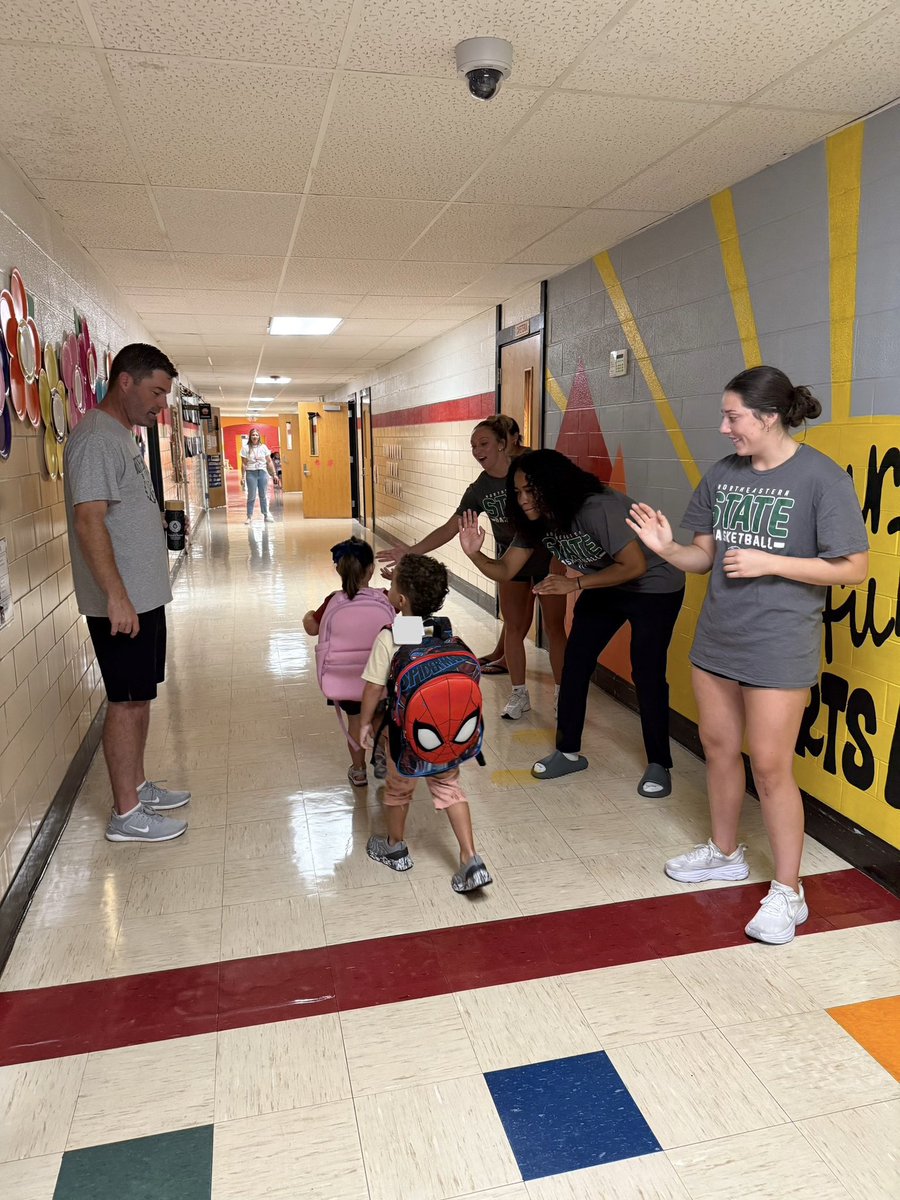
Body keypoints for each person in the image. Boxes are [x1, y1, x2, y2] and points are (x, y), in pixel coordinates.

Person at [628, 365, 868, 944]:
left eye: (733, 416)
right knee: (717, 747)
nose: (723, 427)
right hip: (717, 640)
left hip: (779, 645)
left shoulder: (820, 478)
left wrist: (771, 562)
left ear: (769, 416)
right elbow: (702, 558)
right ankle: (726, 852)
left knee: (770, 765)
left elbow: (855, 568)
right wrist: (667, 548)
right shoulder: (724, 474)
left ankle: (789, 892)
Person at [458, 448, 686, 797]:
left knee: (647, 671)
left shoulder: (596, 507)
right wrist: (474, 552)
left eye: (529, 490)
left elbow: (635, 566)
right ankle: (567, 752)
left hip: (653, 585)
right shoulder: (536, 521)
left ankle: (659, 763)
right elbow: (505, 570)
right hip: (606, 582)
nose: (522, 499)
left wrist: (574, 583)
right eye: (517, 492)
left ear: (552, 484)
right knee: (575, 664)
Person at [63, 343, 191, 843]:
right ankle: (126, 814)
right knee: (125, 701)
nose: (161, 404)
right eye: (156, 391)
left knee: (140, 697)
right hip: (124, 603)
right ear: (125, 382)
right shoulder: (96, 438)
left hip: (141, 597)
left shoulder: (121, 436)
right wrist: (116, 595)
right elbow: (89, 520)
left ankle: (138, 786)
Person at [378, 416, 567, 721]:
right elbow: (450, 527)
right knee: (515, 629)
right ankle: (519, 694)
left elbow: (561, 507)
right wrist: (410, 551)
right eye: (473, 446)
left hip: (547, 557)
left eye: (484, 443)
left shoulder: (529, 472)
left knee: (555, 629)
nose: (478, 450)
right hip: (510, 561)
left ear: (503, 444)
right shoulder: (479, 489)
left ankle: (563, 693)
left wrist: (562, 557)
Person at [360, 554, 493, 893]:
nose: (389, 588)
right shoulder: (445, 631)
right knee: (450, 789)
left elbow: (375, 687)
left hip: (404, 738)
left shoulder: (390, 637)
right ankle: (470, 858)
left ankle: (395, 847)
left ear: (400, 600)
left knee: (398, 790)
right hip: (448, 737)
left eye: (392, 586)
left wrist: (364, 724)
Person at [303, 537, 391, 786]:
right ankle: (381, 752)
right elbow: (403, 627)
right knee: (378, 718)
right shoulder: (384, 598)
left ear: (338, 569)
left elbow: (312, 628)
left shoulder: (333, 601)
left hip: (345, 680)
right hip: (380, 677)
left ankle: (359, 769)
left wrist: (309, 615)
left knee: (355, 721)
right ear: (371, 569)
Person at [242, 428, 279, 523]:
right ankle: (249, 516)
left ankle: (266, 514)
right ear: (250, 436)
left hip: (262, 473)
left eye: (256, 435)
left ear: (259, 437)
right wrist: (242, 477)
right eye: (253, 435)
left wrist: (274, 474)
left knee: (263, 495)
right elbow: (244, 464)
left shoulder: (263, 447)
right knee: (251, 496)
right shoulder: (245, 448)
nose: (255, 436)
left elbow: (269, 461)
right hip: (251, 473)